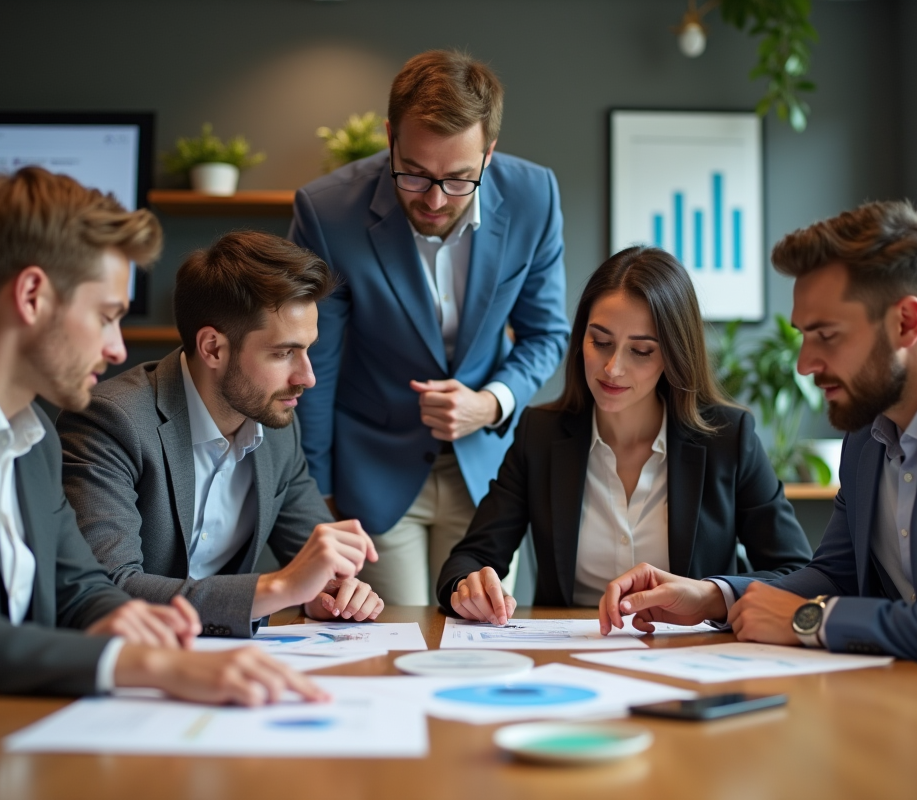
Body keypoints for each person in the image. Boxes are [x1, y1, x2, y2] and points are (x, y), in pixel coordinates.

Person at [599, 201, 917, 724]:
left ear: (906, 322)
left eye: (826, 335)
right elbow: (835, 574)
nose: (805, 364)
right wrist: (711, 596)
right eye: (802, 334)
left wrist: (814, 621)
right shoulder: (866, 430)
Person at [0, 168, 326, 727]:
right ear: (31, 296)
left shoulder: (34, 435)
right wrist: (135, 663)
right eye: (106, 315)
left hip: (7, 730)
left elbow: (80, 590)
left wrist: (154, 638)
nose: (117, 347)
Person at [289, 49, 570, 605]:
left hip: (488, 474)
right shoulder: (327, 213)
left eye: (460, 179)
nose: (436, 200)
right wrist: (315, 496)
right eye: (414, 175)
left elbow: (546, 333)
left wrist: (490, 403)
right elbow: (312, 364)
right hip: (373, 476)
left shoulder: (535, 197)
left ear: (488, 155)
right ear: (391, 136)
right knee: (389, 646)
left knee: (482, 644)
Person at [437, 246, 813, 623]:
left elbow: (797, 573)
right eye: (600, 342)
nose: (613, 368)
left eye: (641, 350)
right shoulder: (541, 434)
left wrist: (712, 595)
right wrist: (468, 586)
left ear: (673, 355)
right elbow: (470, 558)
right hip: (569, 658)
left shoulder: (729, 438)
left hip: (690, 660)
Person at [57, 231, 383, 639]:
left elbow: (314, 564)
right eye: (283, 353)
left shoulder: (278, 423)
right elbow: (107, 589)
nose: (308, 377)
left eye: (308, 349)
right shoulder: (110, 422)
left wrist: (333, 590)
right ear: (212, 348)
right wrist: (279, 588)